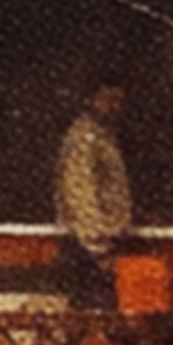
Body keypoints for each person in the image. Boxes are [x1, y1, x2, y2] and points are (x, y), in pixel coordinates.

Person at [53, 77, 134, 310]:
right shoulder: (84, 139)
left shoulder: (104, 137)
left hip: (104, 244)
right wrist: (97, 247)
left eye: (119, 101)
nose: (114, 107)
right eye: (108, 99)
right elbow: (81, 192)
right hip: (90, 248)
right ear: (92, 99)